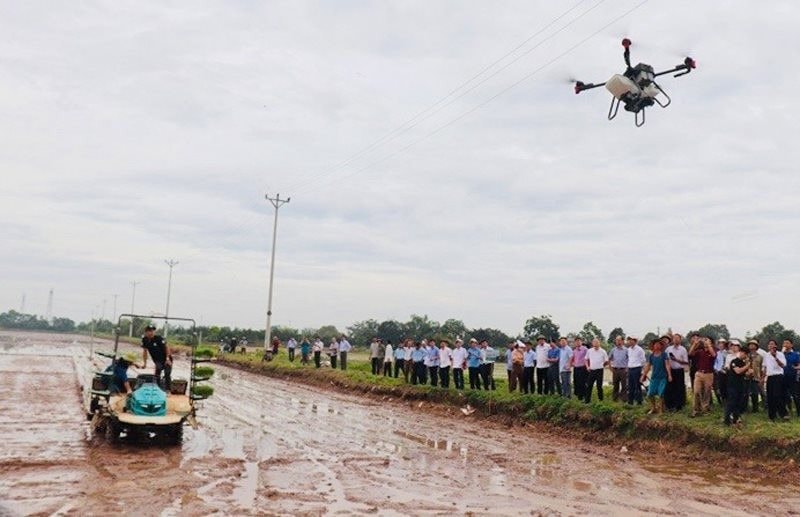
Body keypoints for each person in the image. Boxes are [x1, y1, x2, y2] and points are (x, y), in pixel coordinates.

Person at [641, 339, 672, 415]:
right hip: (654, 377)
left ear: (661, 346)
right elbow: (648, 366)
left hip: (662, 377)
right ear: (653, 346)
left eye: (659, 344)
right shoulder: (651, 356)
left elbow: (667, 365)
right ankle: (653, 408)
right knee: (650, 394)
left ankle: (661, 410)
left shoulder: (664, 354)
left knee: (661, 394)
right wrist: (643, 375)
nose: (657, 346)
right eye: (655, 344)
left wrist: (669, 375)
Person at [688, 336, 716, 417]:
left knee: (707, 392)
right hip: (699, 373)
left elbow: (713, 355)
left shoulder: (713, 351)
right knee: (696, 391)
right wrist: (695, 344)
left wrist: (709, 345)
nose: (706, 342)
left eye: (708, 341)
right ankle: (696, 409)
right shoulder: (700, 351)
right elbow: (690, 353)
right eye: (705, 341)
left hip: (709, 374)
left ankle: (705, 409)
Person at [763, 340, 789, 421]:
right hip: (770, 377)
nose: (771, 346)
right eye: (769, 344)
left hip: (778, 377)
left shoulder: (780, 354)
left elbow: (783, 365)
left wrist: (775, 357)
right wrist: (762, 378)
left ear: (776, 346)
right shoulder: (766, 355)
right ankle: (772, 416)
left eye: (772, 344)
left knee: (777, 396)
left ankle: (784, 414)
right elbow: (765, 367)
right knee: (770, 397)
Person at [141, 324, 172, 390]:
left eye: (153, 331)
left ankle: (168, 390)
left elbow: (167, 348)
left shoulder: (159, 338)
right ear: (146, 332)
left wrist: (167, 358)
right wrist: (145, 363)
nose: (151, 332)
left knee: (167, 373)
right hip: (157, 360)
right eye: (149, 331)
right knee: (157, 373)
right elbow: (145, 352)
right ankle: (158, 388)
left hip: (167, 358)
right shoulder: (144, 340)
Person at [724, 343, 749, 426]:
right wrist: (747, 366)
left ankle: (736, 419)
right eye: (743, 353)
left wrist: (749, 371)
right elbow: (738, 371)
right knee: (731, 402)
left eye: (746, 354)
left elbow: (746, 373)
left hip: (741, 385)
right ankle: (727, 420)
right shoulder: (734, 361)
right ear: (741, 352)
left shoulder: (743, 363)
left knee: (738, 403)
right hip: (732, 386)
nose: (744, 355)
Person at [665, 334, 689, 411]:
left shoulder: (683, 349)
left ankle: (679, 405)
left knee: (679, 387)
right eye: (674, 338)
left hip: (679, 370)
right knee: (670, 388)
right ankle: (670, 405)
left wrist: (676, 360)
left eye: (677, 338)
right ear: (672, 340)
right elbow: (666, 360)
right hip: (670, 370)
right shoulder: (668, 349)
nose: (676, 340)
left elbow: (686, 362)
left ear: (680, 340)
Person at [584, 339, 609, 403]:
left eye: (596, 343)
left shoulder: (603, 351)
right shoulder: (589, 351)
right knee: (589, 385)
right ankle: (587, 401)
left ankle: (601, 400)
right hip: (592, 370)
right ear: (592, 344)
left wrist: (603, 365)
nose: (595, 344)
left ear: (599, 343)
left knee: (599, 386)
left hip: (599, 370)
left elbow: (606, 361)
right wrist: (587, 367)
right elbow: (586, 359)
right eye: (594, 343)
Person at [781, 338, 800, 417]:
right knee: (784, 395)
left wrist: (796, 368)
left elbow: (799, 364)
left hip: (792, 378)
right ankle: (787, 411)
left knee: (795, 395)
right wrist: (781, 353)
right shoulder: (781, 354)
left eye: (787, 343)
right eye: (784, 343)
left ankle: (799, 412)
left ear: (791, 345)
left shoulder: (795, 354)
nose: (785, 344)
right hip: (782, 378)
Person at [745, 340, 764, 412]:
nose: (752, 346)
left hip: (756, 377)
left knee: (755, 394)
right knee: (746, 393)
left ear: (756, 346)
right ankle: (745, 408)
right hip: (746, 377)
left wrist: (761, 378)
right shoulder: (746, 355)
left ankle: (755, 409)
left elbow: (762, 367)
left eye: (753, 345)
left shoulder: (760, 356)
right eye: (750, 345)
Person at [608, 336, 629, 403]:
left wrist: (627, 368)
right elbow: (609, 359)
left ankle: (624, 400)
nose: (618, 342)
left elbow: (630, 359)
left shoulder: (626, 350)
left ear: (622, 341)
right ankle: (615, 400)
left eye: (619, 340)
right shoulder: (613, 350)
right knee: (615, 385)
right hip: (615, 370)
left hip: (623, 370)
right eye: (617, 340)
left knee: (624, 385)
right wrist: (610, 367)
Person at [626, 336, 645, 405]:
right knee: (630, 386)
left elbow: (643, 360)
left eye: (632, 340)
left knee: (637, 385)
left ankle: (639, 401)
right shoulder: (628, 350)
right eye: (629, 340)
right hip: (630, 369)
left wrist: (642, 370)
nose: (630, 341)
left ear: (635, 341)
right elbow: (629, 359)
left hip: (637, 369)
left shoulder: (640, 349)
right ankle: (630, 402)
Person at [713, 338, 729, 405]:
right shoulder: (716, 353)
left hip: (726, 372)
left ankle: (727, 401)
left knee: (726, 387)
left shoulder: (727, 353)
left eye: (722, 343)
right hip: (718, 372)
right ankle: (721, 402)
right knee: (719, 387)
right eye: (719, 343)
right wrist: (716, 368)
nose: (721, 345)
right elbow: (715, 362)